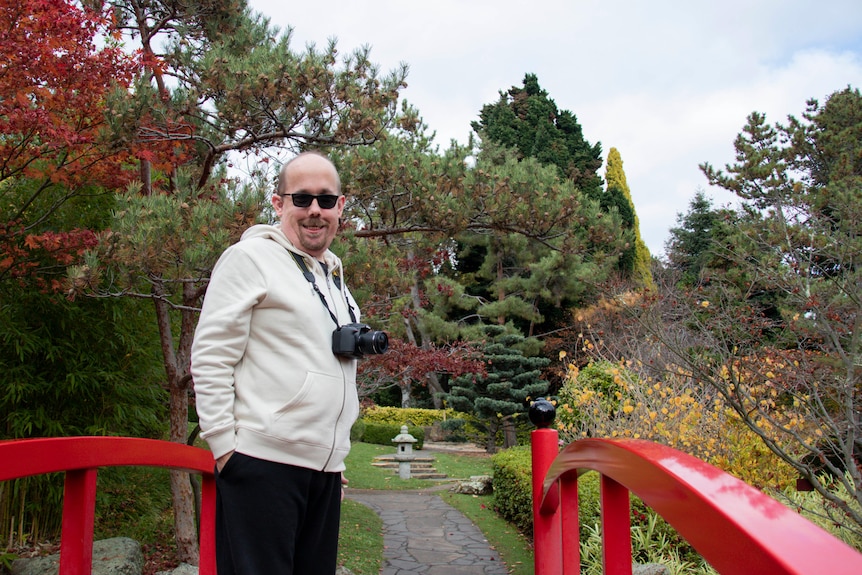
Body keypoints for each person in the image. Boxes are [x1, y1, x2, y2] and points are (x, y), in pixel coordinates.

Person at [191, 151, 360, 575]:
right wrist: (225, 449)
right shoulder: (249, 259)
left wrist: (332, 457)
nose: (314, 210)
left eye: (326, 199)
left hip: (322, 472)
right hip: (261, 465)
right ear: (278, 203)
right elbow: (211, 355)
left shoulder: (334, 277)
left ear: (341, 206)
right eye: (301, 198)